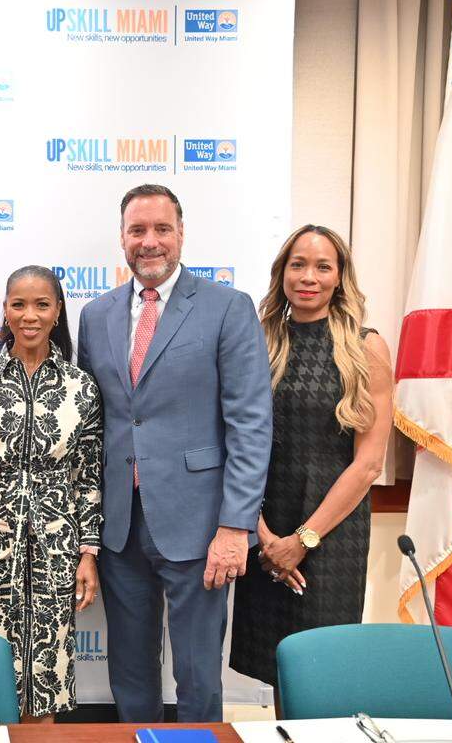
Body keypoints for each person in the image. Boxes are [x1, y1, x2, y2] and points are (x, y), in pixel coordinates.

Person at [76, 183, 273, 722]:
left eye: (162, 229)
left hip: (201, 525)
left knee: (196, 673)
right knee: (130, 672)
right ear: (122, 238)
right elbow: (94, 424)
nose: (150, 242)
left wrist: (236, 526)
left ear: (181, 233)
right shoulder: (96, 316)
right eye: (137, 230)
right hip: (119, 525)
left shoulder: (227, 308)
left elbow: (251, 425)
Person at [230, 225, 392, 697]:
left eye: (323, 266)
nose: (309, 277)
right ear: (282, 273)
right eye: (298, 265)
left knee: (324, 672)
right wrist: (263, 537)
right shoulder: (255, 341)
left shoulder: (367, 348)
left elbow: (368, 464)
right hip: (264, 530)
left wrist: (304, 539)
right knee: (277, 669)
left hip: (332, 535)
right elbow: (233, 443)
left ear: (340, 277)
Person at [0, 266, 102, 723]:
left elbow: (89, 477)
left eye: (41, 305)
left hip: (57, 552)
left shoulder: (82, 388)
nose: (29, 315)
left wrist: (87, 553)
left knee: (49, 679)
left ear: (57, 312)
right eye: (18, 304)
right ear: (5, 310)